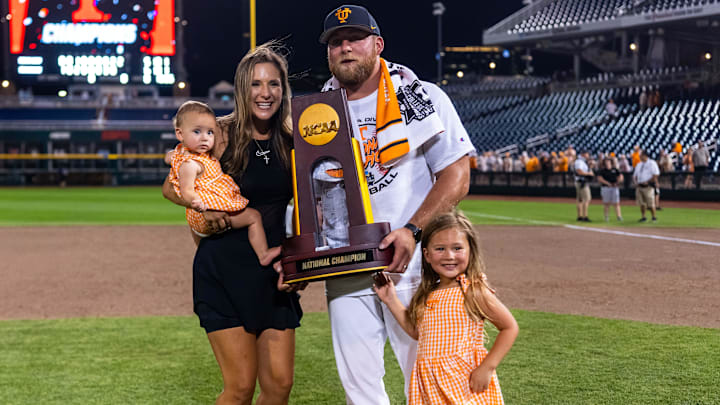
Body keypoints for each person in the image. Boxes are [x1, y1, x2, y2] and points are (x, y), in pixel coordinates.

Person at [318, 5, 475, 404]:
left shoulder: (421, 96)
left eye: (355, 38)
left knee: (425, 374)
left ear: (378, 44)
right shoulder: (317, 113)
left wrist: (412, 230)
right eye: (336, 42)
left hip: (413, 263)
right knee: (359, 385)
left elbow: (457, 176)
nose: (346, 47)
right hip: (347, 263)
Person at [161, 42, 303, 404]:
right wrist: (202, 210)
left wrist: (297, 263)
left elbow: (309, 208)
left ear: (283, 89)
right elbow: (171, 185)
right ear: (242, 88)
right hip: (222, 269)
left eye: (273, 84)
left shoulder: (293, 139)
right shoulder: (218, 134)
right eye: (256, 84)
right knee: (239, 389)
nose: (265, 93)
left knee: (279, 386)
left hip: (272, 270)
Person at [373, 211, 518, 405]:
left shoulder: (472, 291)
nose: (449, 256)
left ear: (470, 251)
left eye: (457, 248)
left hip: (462, 382)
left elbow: (509, 327)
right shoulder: (427, 293)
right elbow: (418, 332)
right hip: (429, 382)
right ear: (427, 255)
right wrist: (391, 300)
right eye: (440, 248)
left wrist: (487, 367)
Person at [166, 100, 280, 265]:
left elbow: (172, 156)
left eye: (210, 132)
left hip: (209, 213)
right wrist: (201, 206)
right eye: (197, 132)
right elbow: (186, 190)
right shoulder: (189, 164)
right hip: (206, 213)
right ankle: (263, 254)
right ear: (180, 134)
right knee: (253, 217)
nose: (205, 138)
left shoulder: (193, 155)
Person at [632, 150, 660, 223]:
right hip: (639, 186)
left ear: (645, 155)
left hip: (648, 186)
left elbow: (656, 174)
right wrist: (635, 182)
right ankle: (643, 217)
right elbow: (634, 175)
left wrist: (648, 181)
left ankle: (654, 217)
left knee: (650, 203)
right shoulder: (639, 164)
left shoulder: (652, 163)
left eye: (641, 155)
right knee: (642, 203)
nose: (640, 156)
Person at [597, 157, 623, 222]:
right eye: (606, 161)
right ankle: (606, 217)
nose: (607, 163)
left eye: (608, 161)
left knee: (616, 203)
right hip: (606, 187)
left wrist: (617, 182)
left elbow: (620, 176)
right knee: (606, 203)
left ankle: (619, 216)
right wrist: (607, 183)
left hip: (614, 187)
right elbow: (599, 178)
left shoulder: (615, 169)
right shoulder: (602, 170)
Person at [574, 150, 594, 222]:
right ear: (583, 154)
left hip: (581, 182)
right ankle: (585, 216)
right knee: (586, 199)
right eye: (587, 154)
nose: (588, 155)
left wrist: (590, 167)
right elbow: (579, 171)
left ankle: (580, 216)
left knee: (580, 200)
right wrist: (589, 173)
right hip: (582, 182)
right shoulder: (579, 161)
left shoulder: (582, 162)